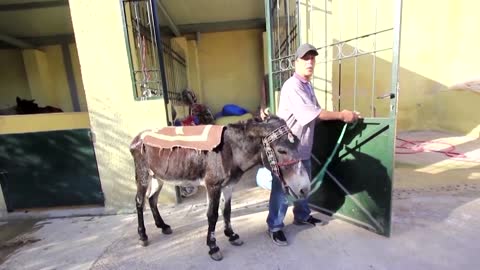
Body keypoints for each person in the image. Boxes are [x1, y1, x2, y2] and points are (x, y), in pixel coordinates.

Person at [267, 43, 361, 246]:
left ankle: (302, 215)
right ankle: (274, 226)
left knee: (303, 185)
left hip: (302, 147)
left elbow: (316, 112)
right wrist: (342, 115)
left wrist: (341, 118)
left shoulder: (307, 85)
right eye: (305, 59)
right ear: (295, 63)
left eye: (312, 58)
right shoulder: (292, 86)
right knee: (282, 190)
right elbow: (314, 113)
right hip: (287, 150)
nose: (310, 62)